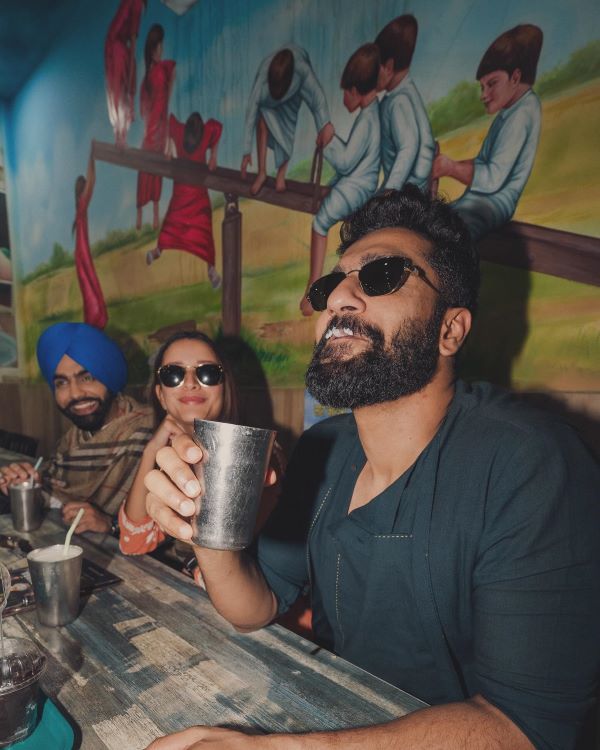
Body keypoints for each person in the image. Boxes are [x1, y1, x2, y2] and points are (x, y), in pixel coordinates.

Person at [144, 186, 600, 750]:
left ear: (451, 330)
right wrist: (206, 532)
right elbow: (254, 607)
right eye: (330, 284)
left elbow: (528, 728)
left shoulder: (531, 464)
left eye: (382, 275)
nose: (339, 297)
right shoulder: (323, 448)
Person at [0, 323, 153, 534]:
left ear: (110, 376)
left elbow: (173, 529)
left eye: (87, 378)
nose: (75, 394)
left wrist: (111, 524)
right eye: (61, 383)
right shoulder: (73, 439)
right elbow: (58, 499)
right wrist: (27, 486)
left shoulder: (151, 435)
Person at [432, 25, 543, 241]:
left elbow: (492, 178)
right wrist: (446, 166)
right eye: (482, 87)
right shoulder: (511, 111)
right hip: (479, 201)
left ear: (515, 77)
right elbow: (483, 163)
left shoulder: (522, 113)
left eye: (491, 84)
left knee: (448, 238)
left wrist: (450, 168)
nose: (484, 95)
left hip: (492, 204)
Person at [300, 43, 381, 317]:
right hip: (355, 181)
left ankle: (312, 291)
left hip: (358, 186)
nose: (344, 97)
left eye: (346, 91)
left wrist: (330, 140)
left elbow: (347, 161)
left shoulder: (368, 119)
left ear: (356, 90)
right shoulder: (370, 115)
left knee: (320, 222)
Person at [241, 45, 334, 195]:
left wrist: (325, 124)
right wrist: (246, 151)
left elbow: (317, 98)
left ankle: (281, 175)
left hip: (292, 98)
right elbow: (251, 111)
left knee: (286, 132)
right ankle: (262, 173)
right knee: (262, 121)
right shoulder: (262, 79)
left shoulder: (302, 71)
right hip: (268, 101)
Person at [145, 112, 223, 290]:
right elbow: (166, 121)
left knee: (204, 232)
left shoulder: (206, 132)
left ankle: (211, 270)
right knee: (171, 224)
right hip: (180, 192)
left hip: (198, 195)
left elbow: (217, 127)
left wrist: (213, 155)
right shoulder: (180, 131)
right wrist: (167, 146)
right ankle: (158, 251)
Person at [375, 15, 435, 194]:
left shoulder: (399, 101)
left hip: (408, 191)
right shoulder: (404, 92)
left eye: (374, 68)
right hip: (407, 186)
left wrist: (390, 188)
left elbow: (408, 147)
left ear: (388, 67)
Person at [136, 24, 176, 230]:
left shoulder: (150, 77)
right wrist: (165, 139)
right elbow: (159, 108)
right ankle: (151, 216)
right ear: (154, 50)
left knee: (147, 173)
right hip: (155, 133)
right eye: (159, 47)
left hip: (152, 134)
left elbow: (146, 110)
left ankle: (144, 216)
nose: (161, 50)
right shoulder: (158, 73)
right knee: (152, 174)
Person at [104, 0, 147, 148]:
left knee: (117, 90)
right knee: (122, 91)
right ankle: (121, 136)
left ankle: (120, 134)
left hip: (112, 47)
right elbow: (133, 39)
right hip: (117, 47)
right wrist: (130, 76)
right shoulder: (137, 3)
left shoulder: (129, 3)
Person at [73, 155, 108, 329]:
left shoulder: (80, 207)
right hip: (82, 252)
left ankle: (94, 320)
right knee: (90, 285)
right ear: (82, 189)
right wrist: (92, 158)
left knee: (89, 286)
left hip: (80, 252)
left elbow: (90, 182)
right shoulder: (82, 203)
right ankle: (95, 320)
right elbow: (92, 181)